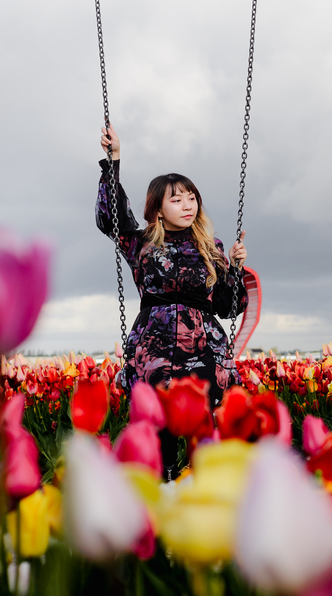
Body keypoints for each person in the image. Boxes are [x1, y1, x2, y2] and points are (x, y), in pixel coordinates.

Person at [95, 124, 248, 407]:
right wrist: (113, 161)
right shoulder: (141, 245)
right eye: (176, 200)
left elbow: (228, 307)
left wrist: (236, 270)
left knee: (205, 424)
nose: (187, 206)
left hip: (204, 349)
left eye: (192, 199)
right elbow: (110, 217)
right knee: (157, 423)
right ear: (158, 210)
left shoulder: (211, 247)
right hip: (154, 347)